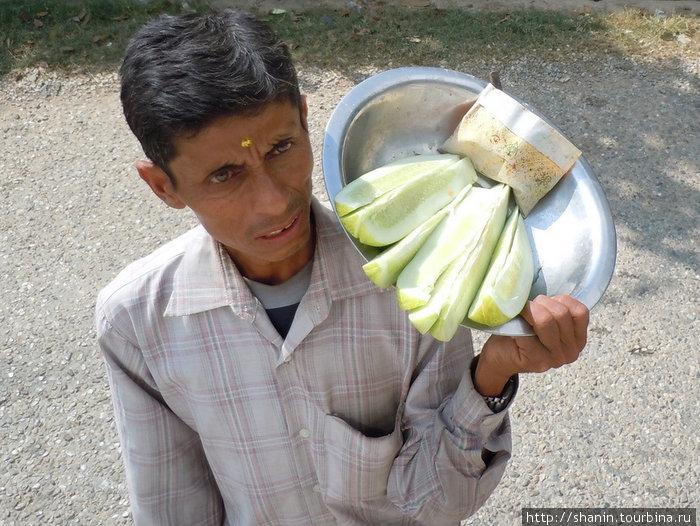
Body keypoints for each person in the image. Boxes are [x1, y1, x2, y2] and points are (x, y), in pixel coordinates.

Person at [96, 9, 589, 526]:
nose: (272, 202)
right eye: (225, 174)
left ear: (306, 119)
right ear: (162, 186)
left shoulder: (421, 283)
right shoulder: (137, 321)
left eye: (281, 148)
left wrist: (492, 374)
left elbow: (439, 503)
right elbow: (173, 510)